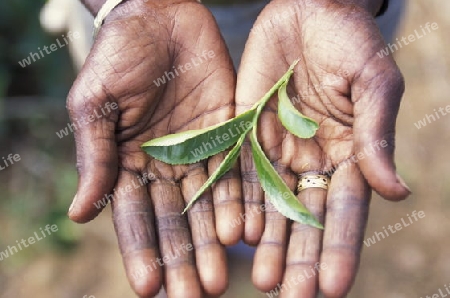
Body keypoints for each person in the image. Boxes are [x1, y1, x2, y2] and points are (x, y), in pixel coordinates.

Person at [66, 0, 410, 297]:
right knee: (194, 211)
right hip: (146, 31)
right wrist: (125, 7)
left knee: (260, 210)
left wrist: (341, 4)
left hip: (321, 29)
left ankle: (248, 245)